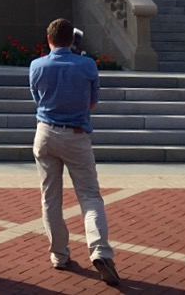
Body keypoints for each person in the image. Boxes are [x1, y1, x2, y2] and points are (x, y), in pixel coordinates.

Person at [30, 18, 119, 285]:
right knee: (90, 195)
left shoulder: (36, 66)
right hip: (76, 135)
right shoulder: (87, 65)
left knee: (50, 198)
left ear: (49, 39)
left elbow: (37, 99)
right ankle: (100, 250)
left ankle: (59, 254)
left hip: (45, 133)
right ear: (72, 40)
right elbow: (93, 103)